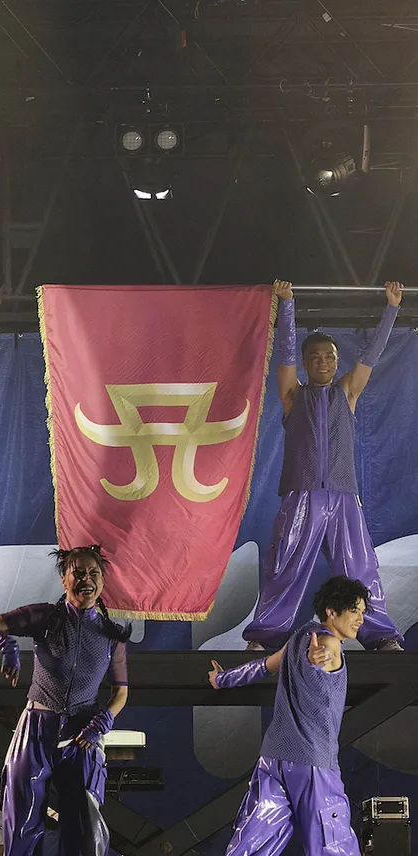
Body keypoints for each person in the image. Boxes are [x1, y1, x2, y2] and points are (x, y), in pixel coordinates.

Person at [243, 280, 404, 652]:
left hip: (344, 496)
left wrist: (391, 309)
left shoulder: (346, 391)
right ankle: (266, 637)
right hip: (303, 497)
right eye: (314, 356)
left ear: (336, 361)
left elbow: (370, 356)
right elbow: (283, 356)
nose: (322, 362)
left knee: (359, 568)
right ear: (305, 362)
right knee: (286, 567)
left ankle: (380, 636)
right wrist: (287, 306)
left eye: (329, 356)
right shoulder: (293, 395)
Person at [0, 545, 130, 856]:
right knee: (20, 818)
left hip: (82, 732)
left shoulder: (111, 634)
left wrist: (105, 719)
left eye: (94, 573)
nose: (87, 580)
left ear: (102, 581)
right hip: (36, 727)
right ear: (64, 579)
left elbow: (121, 691)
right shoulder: (45, 617)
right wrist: (4, 644)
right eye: (79, 573)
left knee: (87, 824)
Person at [209, 575, 369, 856]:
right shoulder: (328, 645)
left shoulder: (299, 638)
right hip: (312, 766)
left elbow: (262, 666)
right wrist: (315, 664)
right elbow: (318, 662)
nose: (361, 620)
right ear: (331, 611)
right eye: (355, 611)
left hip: (273, 761)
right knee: (332, 846)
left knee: (252, 843)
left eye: (363, 613)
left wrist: (222, 679)